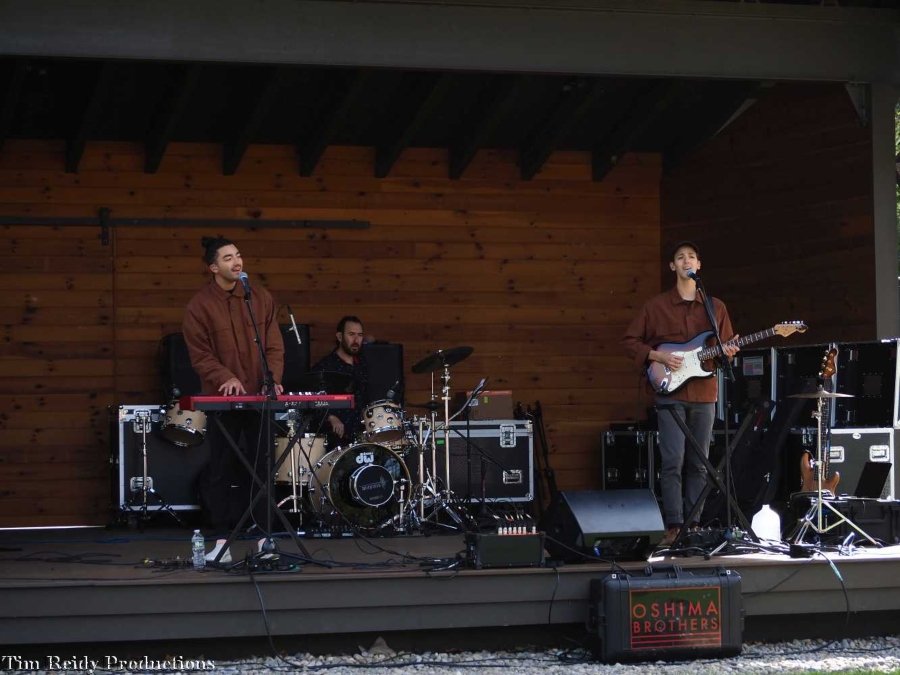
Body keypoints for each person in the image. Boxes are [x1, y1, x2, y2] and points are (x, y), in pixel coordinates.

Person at [622, 241, 739, 546]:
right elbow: (630, 341)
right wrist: (658, 356)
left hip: (704, 393)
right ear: (672, 266)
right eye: (680, 257)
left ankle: (694, 525)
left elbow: (724, 351)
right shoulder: (656, 306)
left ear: (699, 265)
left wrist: (728, 353)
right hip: (669, 395)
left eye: (692, 257)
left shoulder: (716, 307)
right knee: (673, 460)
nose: (687, 260)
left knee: (700, 462)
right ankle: (674, 525)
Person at [182, 236, 285, 533]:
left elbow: (274, 346)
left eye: (238, 255)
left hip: (260, 398)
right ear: (213, 268)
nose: (236, 261)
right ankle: (220, 533)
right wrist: (224, 377)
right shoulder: (199, 306)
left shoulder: (260, 297)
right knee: (221, 465)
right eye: (227, 258)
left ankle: (264, 531)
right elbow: (200, 355)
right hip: (222, 399)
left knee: (263, 465)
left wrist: (272, 380)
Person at [311, 316, 370, 447]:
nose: (356, 340)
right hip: (335, 440)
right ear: (339, 337)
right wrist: (330, 417)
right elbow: (314, 401)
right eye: (351, 334)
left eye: (360, 335)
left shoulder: (363, 365)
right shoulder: (325, 368)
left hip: (361, 436)